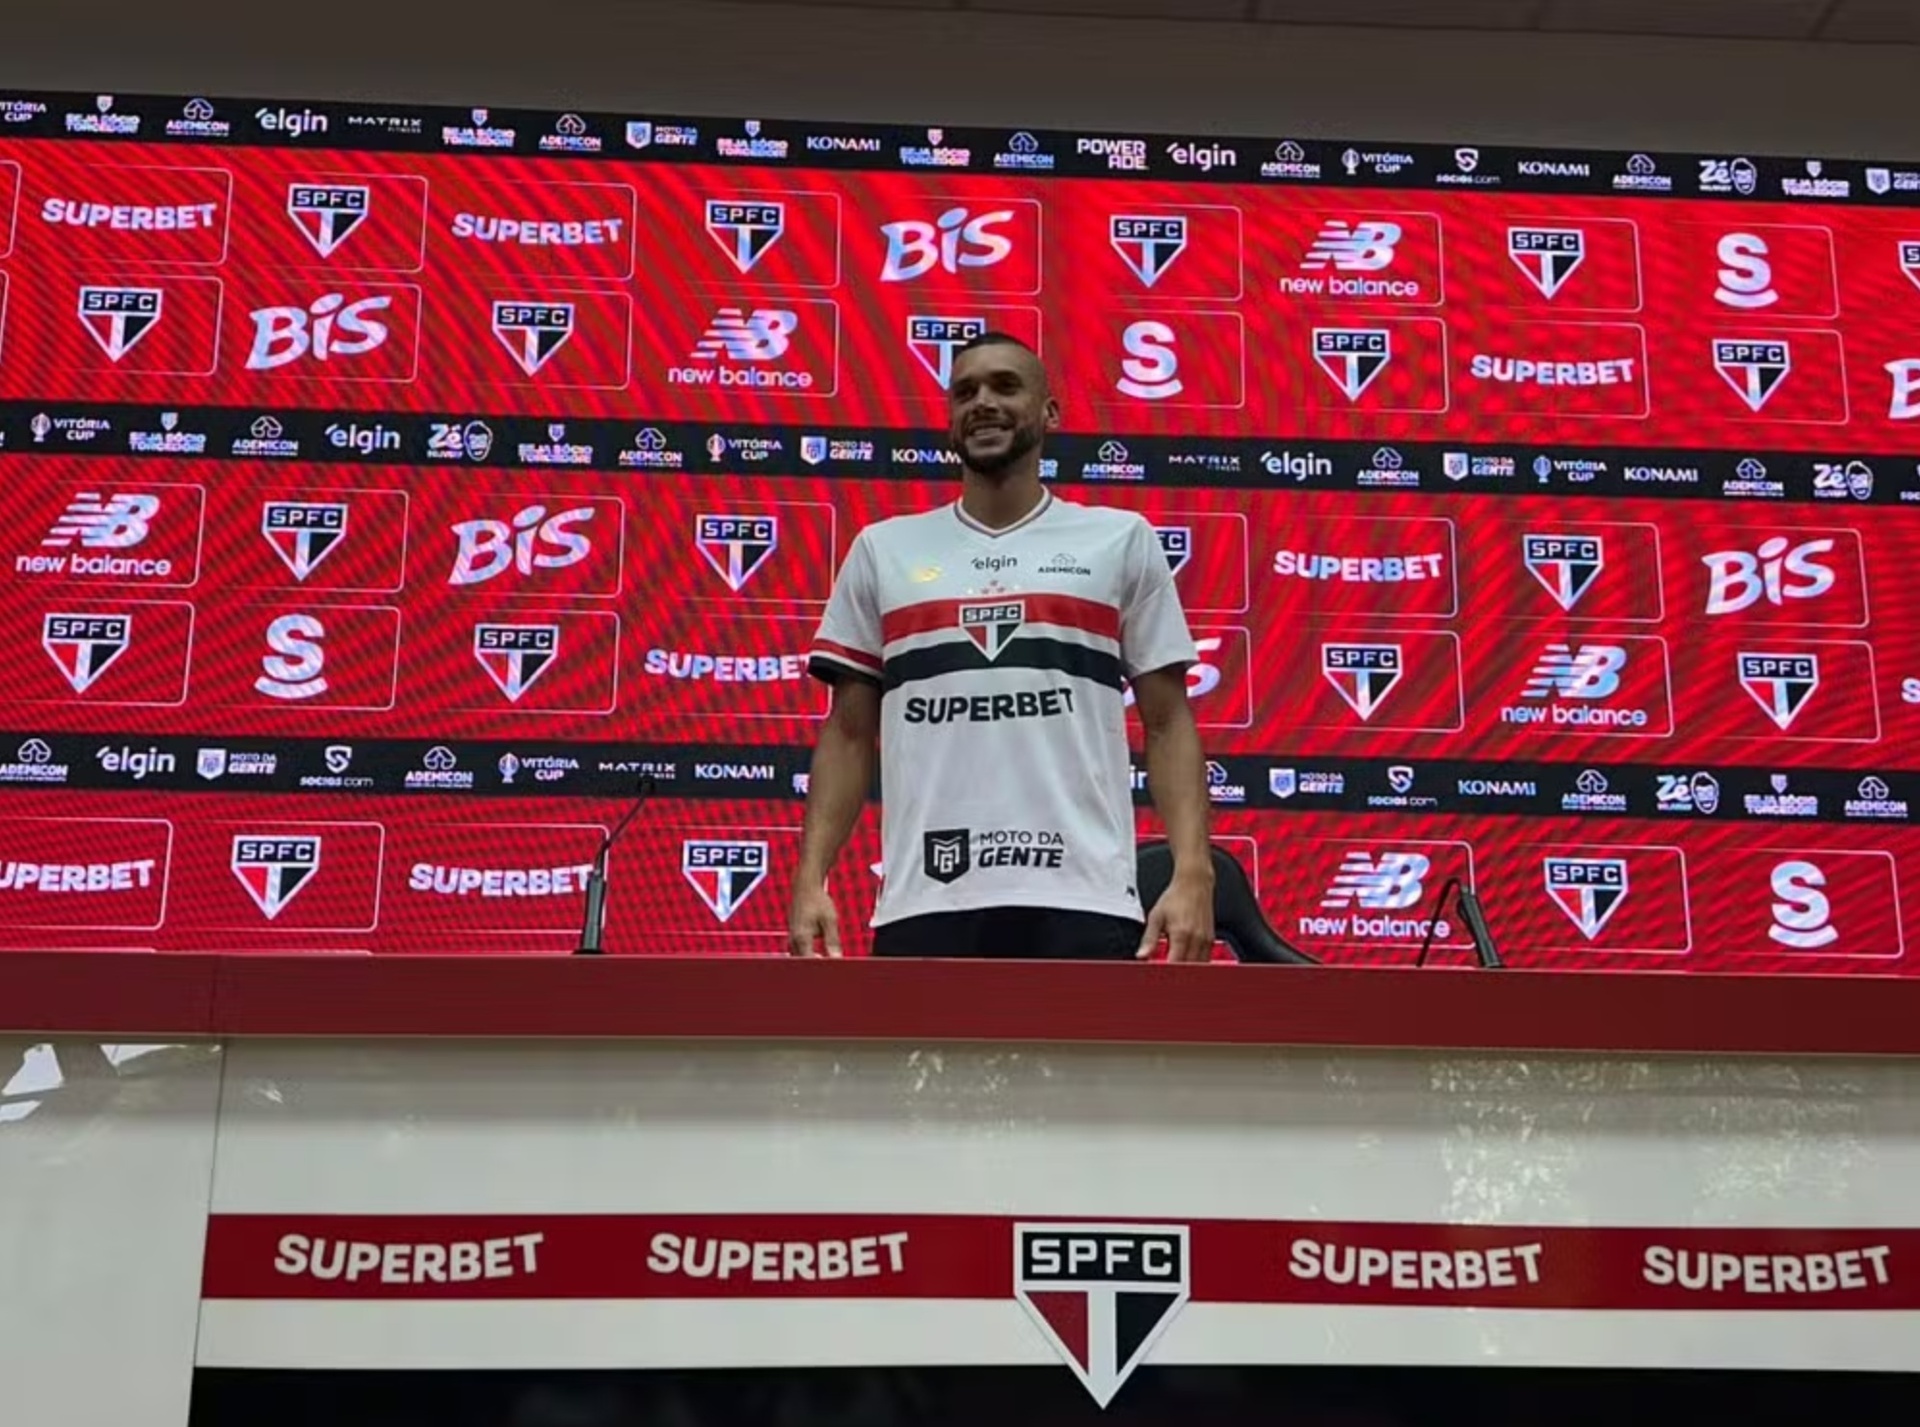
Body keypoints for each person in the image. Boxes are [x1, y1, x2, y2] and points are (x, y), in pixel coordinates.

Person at [786, 332, 1215, 962]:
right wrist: (810, 879)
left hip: (1084, 896)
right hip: (925, 898)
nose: (983, 402)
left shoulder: (1120, 539)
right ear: (950, 420)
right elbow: (849, 733)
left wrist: (1193, 872)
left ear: (1050, 411)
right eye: (965, 392)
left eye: (1005, 386)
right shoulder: (884, 549)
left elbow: (1168, 719)